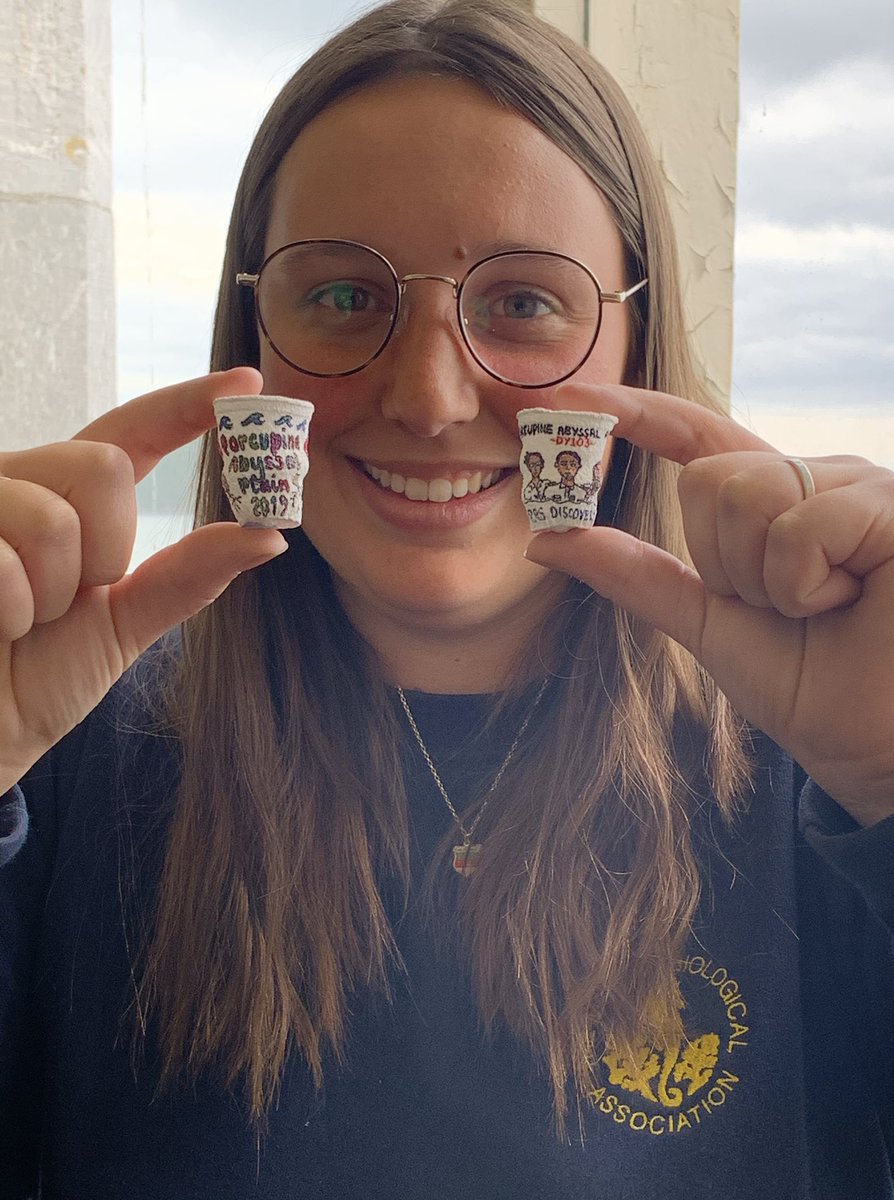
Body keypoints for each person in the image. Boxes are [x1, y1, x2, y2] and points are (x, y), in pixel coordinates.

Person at [1, 0, 892, 1195]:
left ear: (634, 345)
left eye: (524, 302)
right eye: (342, 296)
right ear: (251, 334)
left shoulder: (819, 777)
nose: (427, 396)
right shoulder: (59, 762)